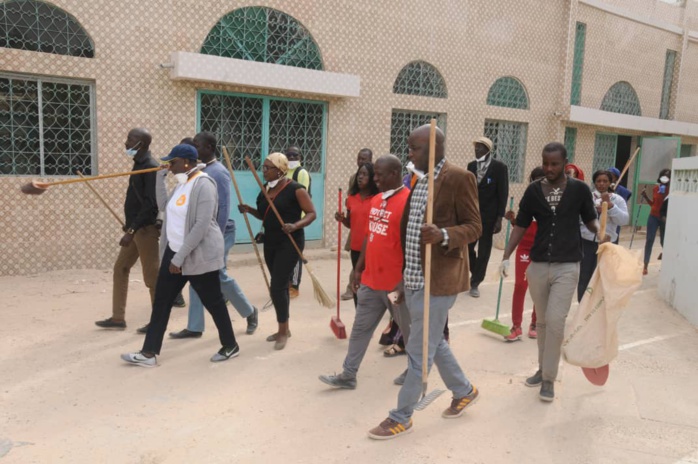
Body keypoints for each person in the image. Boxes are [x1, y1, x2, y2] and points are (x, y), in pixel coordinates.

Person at [368, 125, 482, 440]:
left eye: (414, 148)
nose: (409, 153)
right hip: (416, 278)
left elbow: (474, 227)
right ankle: (464, 389)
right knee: (434, 342)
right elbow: (409, 232)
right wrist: (405, 279)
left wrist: (444, 234)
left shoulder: (460, 178)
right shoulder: (418, 181)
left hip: (441, 281)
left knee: (418, 350)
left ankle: (401, 416)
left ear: (434, 148)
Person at [121, 144, 239, 366]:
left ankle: (230, 345)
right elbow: (164, 206)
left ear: (186, 162)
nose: (169, 166)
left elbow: (201, 225)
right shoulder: (181, 185)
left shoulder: (204, 185)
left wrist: (179, 258)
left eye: (172, 162)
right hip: (175, 252)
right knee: (162, 302)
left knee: (213, 302)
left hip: (198, 255)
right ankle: (149, 353)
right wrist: (160, 178)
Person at [500, 142, 599, 402]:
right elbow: (521, 225)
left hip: (568, 264)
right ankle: (542, 369)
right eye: (545, 163)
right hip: (539, 264)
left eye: (554, 164)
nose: (549, 168)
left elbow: (590, 218)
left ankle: (549, 379)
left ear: (565, 163)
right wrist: (506, 255)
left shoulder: (579, 190)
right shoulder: (534, 191)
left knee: (555, 321)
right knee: (542, 322)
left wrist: (601, 231)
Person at [319, 155, 411, 390]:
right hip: (371, 280)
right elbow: (371, 236)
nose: (375, 179)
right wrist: (358, 269)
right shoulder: (377, 199)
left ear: (394, 174)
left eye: (379, 175)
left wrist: (403, 281)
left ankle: (415, 370)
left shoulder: (408, 202)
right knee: (360, 328)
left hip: (395, 285)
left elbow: (413, 247)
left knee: (409, 330)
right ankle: (348, 375)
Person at [169, 132, 259, 340]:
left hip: (219, 233)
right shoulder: (199, 171)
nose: (194, 149)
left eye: (197, 145)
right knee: (195, 274)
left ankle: (249, 311)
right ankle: (195, 326)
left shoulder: (218, 172)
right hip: (199, 233)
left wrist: (210, 237)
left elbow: (224, 208)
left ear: (209, 147)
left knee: (218, 276)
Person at [238, 153, 316, 350]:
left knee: (277, 286)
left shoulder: (295, 189)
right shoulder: (265, 189)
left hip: (290, 242)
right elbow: (267, 215)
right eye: (263, 167)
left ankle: (282, 331)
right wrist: (249, 210)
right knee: (280, 287)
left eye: (268, 168)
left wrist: (295, 225)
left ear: (280, 170)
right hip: (271, 241)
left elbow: (311, 213)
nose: (263, 171)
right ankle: (285, 327)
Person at [96, 128, 160, 333]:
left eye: (130, 139)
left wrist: (131, 230)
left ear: (141, 144)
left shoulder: (151, 167)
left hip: (145, 231)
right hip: (134, 229)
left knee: (152, 278)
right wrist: (130, 226)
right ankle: (117, 318)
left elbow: (150, 204)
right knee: (120, 269)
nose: (125, 143)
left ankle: (158, 321)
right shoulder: (139, 164)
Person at [502, 167, 545, 342]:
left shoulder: (553, 203)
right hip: (525, 249)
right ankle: (516, 326)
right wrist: (513, 220)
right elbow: (521, 226)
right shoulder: (528, 199)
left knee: (539, 289)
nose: (539, 182)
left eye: (542, 179)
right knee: (520, 285)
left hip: (543, 249)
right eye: (535, 179)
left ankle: (535, 323)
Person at [577, 170, 629, 302]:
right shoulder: (587, 197)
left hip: (607, 244)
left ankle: (598, 309)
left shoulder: (618, 200)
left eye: (605, 181)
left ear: (610, 182)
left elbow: (624, 220)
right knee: (585, 276)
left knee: (604, 276)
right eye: (598, 181)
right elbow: (578, 218)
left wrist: (611, 207)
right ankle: (583, 307)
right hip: (587, 243)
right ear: (594, 182)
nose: (601, 184)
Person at [466, 136, 509, 298]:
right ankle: (476, 270)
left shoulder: (499, 167)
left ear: (487, 150)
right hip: (471, 215)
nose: (476, 150)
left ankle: (475, 282)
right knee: (468, 247)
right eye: (475, 147)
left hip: (489, 216)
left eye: (480, 148)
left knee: (484, 249)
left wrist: (499, 218)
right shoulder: (471, 166)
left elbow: (502, 193)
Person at [335, 162, 379, 307]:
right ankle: (359, 313)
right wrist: (342, 220)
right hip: (356, 247)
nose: (360, 177)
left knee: (372, 284)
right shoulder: (351, 198)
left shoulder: (377, 198)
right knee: (357, 282)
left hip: (373, 247)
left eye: (365, 174)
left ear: (372, 177)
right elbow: (350, 223)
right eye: (359, 174)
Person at [341, 148, 374, 301]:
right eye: (359, 159)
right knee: (357, 267)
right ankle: (354, 290)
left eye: (365, 159)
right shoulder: (353, 184)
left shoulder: (376, 196)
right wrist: (343, 219)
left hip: (372, 239)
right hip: (357, 233)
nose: (361, 162)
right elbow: (350, 211)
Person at [285, 146, 311, 299]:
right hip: (285, 218)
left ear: (300, 157)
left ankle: (294, 285)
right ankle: (285, 282)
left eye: (295, 156)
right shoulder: (285, 171)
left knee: (295, 253)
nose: (291, 159)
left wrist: (298, 221)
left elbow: (302, 196)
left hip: (297, 219)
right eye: (288, 156)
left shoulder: (301, 173)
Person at [641, 169, 671, 275]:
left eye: (667, 176)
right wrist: (645, 197)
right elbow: (653, 204)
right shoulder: (656, 188)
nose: (665, 178)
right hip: (653, 216)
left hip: (664, 218)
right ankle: (645, 266)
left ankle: (666, 265)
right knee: (649, 240)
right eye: (663, 176)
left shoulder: (672, 190)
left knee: (664, 242)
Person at [608, 167, 632, 245]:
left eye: (612, 176)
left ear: (617, 178)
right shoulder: (604, 187)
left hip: (615, 219)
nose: (610, 177)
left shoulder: (622, 190)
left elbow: (622, 205)